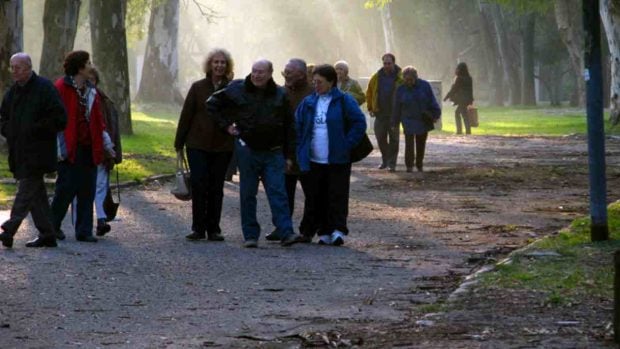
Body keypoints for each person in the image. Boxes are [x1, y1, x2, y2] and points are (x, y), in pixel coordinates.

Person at [206, 59, 302, 248]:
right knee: (247, 194)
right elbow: (212, 103)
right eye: (254, 71)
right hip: (247, 149)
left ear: (270, 73)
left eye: (261, 72)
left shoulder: (280, 95)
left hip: (273, 152)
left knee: (278, 193)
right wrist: (226, 125)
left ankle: (286, 232)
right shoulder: (237, 89)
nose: (257, 75)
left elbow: (290, 127)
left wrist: (290, 156)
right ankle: (250, 235)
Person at [0, 53, 67, 248]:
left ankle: (9, 229)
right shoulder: (13, 92)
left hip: (39, 150)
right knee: (36, 194)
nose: (14, 71)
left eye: (18, 67)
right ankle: (48, 233)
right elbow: (2, 117)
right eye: (12, 67)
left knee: (26, 189)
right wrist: (10, 131)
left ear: (29, 67)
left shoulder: (45, 88)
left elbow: (60, 118)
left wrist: (35, 129)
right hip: (20, 150)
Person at [295, 64, 367, 246]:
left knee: (337, 195)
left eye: (319, 82)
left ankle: (338, 230)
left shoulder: (344, 100)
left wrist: (346, 144)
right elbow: (297, 125)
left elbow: (359, 123)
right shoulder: (309, 102)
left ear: (331, 82)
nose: (315, 85)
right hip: (313, 158)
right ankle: (321, 231)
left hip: (337, 158)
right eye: (314, 82)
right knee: (315, 196)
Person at [50, 50, 114, 243]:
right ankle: (52, 226)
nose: (90, 66)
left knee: (87, 189)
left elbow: (98, 120)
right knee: (65, 189)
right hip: (69, 147)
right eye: (87, 63)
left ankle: (84, 230)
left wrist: (106, 144)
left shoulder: (91, 90)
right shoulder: (61, 87)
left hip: (89, 146)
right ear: (79, 67)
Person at [174, 48, 235, 242]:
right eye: (216, 62)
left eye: (223, 62)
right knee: (199, 184)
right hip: (197, 144)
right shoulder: (198, 87)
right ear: (210, 65)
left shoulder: (232, 89)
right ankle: (198, 228)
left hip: (223, 146)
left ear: (227, 66)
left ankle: (214, 229)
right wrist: (179, 143)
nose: (219, 65)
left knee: (216, 187)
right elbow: (186, 115)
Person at [263, 58, 315, 243]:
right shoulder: (280, 92)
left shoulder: (312, 94)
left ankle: (307, 230)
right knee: (283, 192)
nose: (285, 74)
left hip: (307, 151)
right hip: (284, 151)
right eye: (284, 71)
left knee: (311, 193)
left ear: (302, 74)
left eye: (289, 72)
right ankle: (282, 227)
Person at [88, 68, 122, 236]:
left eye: (93, 80)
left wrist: (112, 151)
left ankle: (100, 219)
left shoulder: (104, 100)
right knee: (88, 186)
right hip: (87, 150)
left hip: (103, 150)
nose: (90, 83)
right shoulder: (86, 100)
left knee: (100, 185)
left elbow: (112, 128)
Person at [392, 66, 441, 173]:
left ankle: (419, 164)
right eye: (406, 80)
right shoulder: (400, 89)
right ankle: (409, 165)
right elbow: (397, 107)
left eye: (411, 80)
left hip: (422, 119)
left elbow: (432, 100)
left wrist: (436, 114)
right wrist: (394, 122)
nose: (408, 82)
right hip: (407, 119)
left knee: (421, 143)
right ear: (403, 79)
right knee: (409, 143)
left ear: (416, 78)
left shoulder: (425, 86)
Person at [366, 53, 403, 172]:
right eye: (385, 63)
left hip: (394, 114)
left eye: (389, 63)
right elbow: (370, 92)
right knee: (380, 137)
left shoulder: (400, 77)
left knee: (394, 140)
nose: (386, 66)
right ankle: (385, 160)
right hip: (380, 113)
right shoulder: (376, 77)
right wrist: (370, 107)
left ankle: (392, 163)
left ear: (394, 63)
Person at [444, 62, 474, 135]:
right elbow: (471, 90)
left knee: (459, 114)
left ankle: (460, 131)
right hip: (467, 99)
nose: (456, 70)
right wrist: (471, 100)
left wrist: (446, 97)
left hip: (461, 99)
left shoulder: (459, 78)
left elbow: (454, 89)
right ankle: (467, 131)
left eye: (457, 69)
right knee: (463, 114)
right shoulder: (469, 78)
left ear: (460, 69)